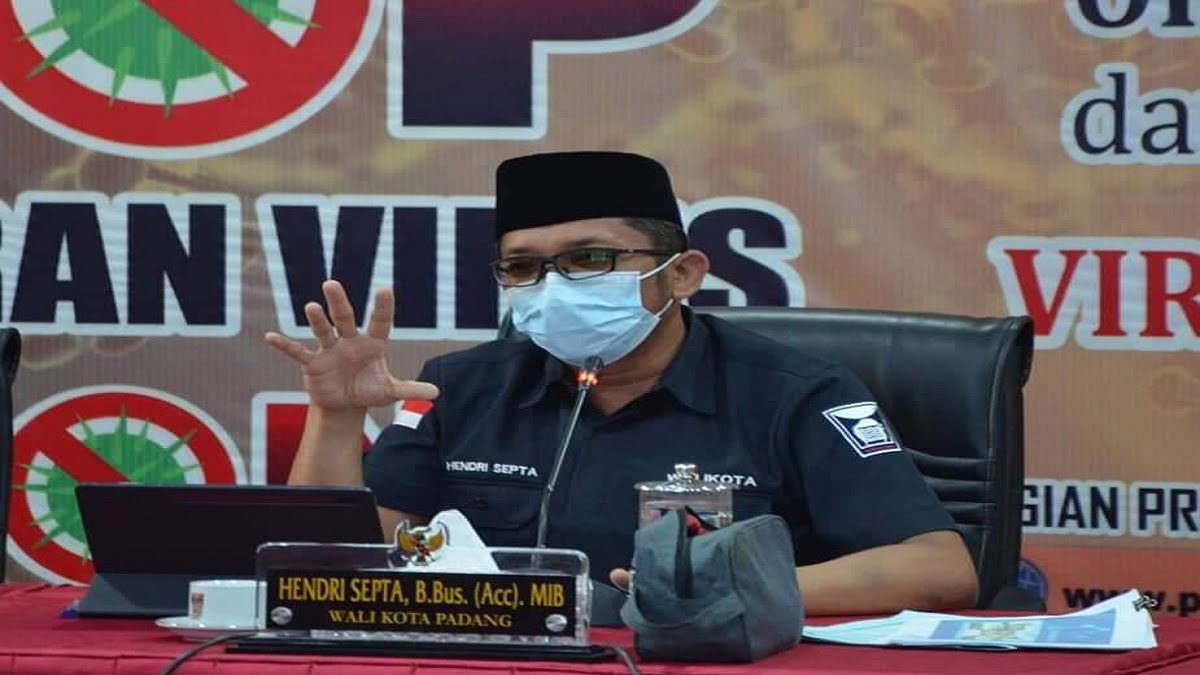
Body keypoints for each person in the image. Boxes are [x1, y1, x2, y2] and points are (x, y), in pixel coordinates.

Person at [266, 151, 978, 615]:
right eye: (523, 267)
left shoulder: (794, 391)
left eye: (590, 258)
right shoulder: (460, 386)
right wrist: (335, 418)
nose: (552, 286)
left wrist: (721, 590)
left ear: (682, 274)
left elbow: (939, 569)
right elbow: (331, 566)